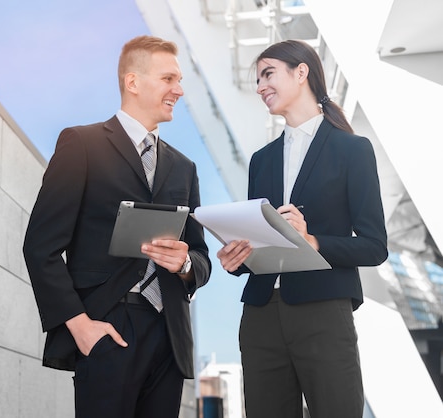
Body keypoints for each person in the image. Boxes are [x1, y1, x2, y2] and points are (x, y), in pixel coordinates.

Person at [23, 35, 211, 418]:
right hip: (107, 328)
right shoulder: (82, 144)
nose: (179, 90)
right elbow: (40, 247)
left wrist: (186, 263)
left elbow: (201, 258)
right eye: (169, 79)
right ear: (133, 82)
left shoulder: (185, 167)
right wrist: (81, 327)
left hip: (169, 338)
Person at [217, 39, 388, 418]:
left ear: (301, 72)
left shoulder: (352, 150)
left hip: (323, 310)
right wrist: (238, 258)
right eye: (258, 79)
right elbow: (261, 246)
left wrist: (312, 240)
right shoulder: (261, 161)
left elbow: (375, 246)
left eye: (268, 74)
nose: (260, 86)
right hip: (261, 315)